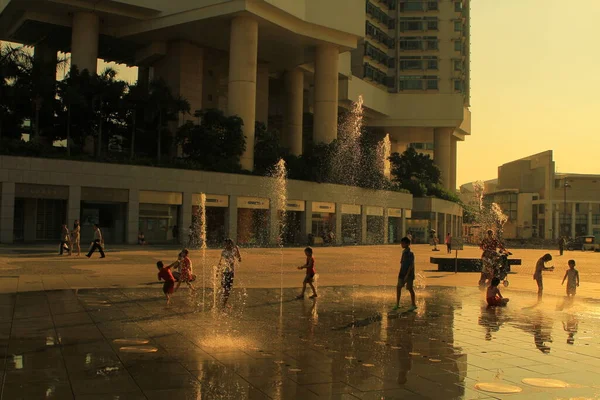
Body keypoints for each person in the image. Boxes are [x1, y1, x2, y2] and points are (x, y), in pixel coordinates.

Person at [217, 239, 242, 307]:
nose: (224, 245)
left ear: (230, 244)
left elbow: (239, 259)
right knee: (225, 288)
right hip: (225, 271)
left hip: (229, 272)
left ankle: (224, 303)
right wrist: (217, 270)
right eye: (224, 244)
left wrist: (237, 250)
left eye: (226, 244)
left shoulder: (232, 250)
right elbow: (220, 261)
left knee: (226, 288)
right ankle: (224, 303)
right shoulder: (224, 251)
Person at [394, 237, 416, 311]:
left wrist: (407, 275)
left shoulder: (410, 253)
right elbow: (402, 262)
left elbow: (411, 265)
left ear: (407, 244)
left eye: (403, 243)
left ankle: (413, 304)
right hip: (402, 272)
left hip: (409, 274)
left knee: (410, 288)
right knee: (398, 287)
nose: (401, 244)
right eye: (401, 243)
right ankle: (397, 304)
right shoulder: (403, 252)